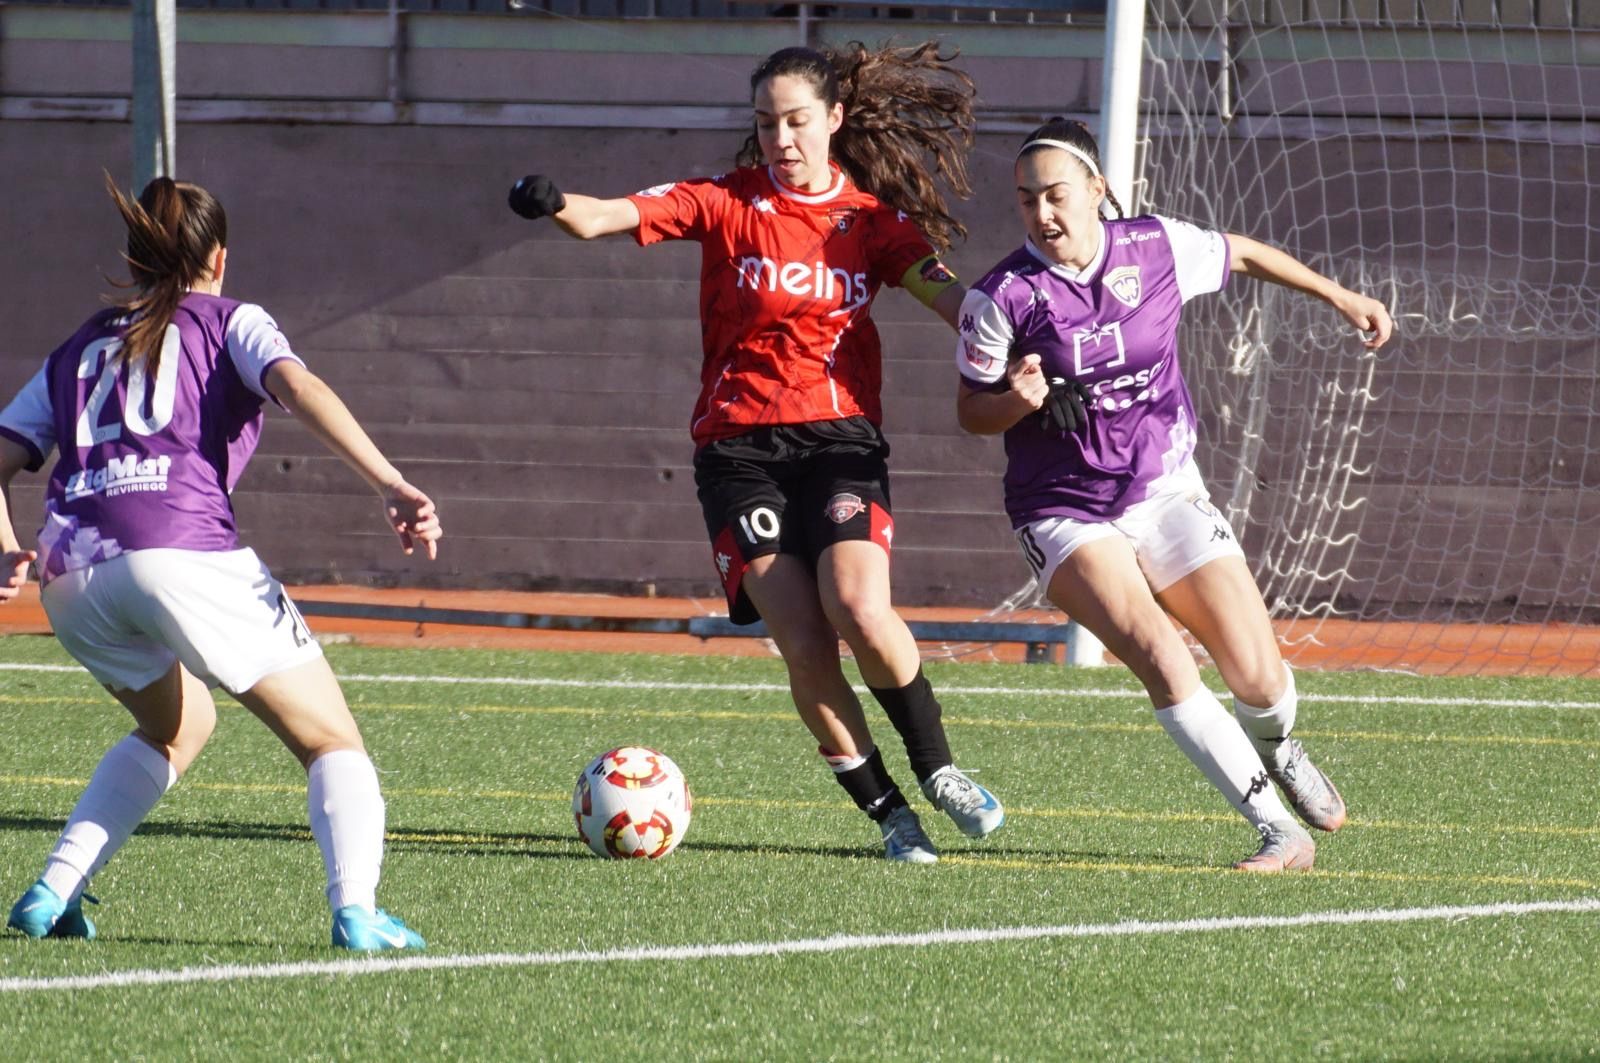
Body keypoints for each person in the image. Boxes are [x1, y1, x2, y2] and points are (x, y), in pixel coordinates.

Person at [506, 42, 1004, 863]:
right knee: (805, 643)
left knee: (861, 607)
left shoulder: (871, 222)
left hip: (841, 439)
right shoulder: (725, 202)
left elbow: (951, 300)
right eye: (767, 123)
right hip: (739, 452)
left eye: (798, 121)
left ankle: (939, 770)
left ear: (834, 120)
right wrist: (552, 201)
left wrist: (1007, 337)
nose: (782, 138)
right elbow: (601, 217)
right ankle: (890, 815)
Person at [0, 175, 440, 947]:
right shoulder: (233, 319)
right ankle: (358, 914)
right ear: (220, 260)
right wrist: (391, 482)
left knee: (179, 724)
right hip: (181, 554)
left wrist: (7, 545)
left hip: (73, 575)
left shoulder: (77, 344)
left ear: (133, 259)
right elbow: (296, 386)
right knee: (331, 740)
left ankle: (51, 892)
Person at [955, 119, 1394, 872]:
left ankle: (1280, 746)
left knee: (1256, 674)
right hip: (1063, 508)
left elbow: (1245, 252)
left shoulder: (1154, 247)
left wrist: (1337, 294)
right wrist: (1018, 401)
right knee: (1162, 655)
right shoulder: (1002, 297)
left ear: (1097, 192)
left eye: (1056, 195)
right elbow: (969, 411)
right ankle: (1275, 831)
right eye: (1027, 201)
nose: (1042, 215)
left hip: (1164, 488)